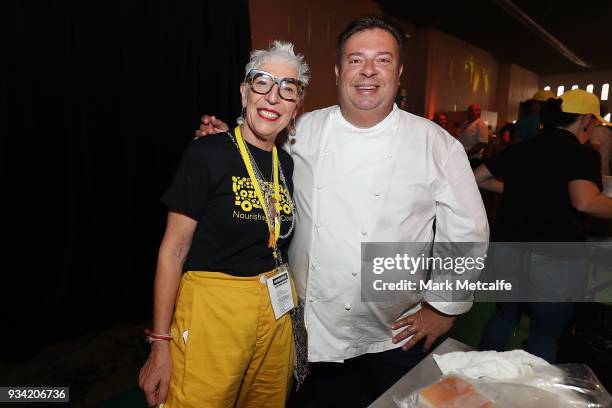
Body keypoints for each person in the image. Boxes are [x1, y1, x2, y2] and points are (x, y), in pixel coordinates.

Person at [197, 15, 488, 406]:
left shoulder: (436, 144)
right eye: (356, 60)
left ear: (398, 72)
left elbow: (467, 231)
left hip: (395, 334)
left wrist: (443, 309)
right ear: (337, 71)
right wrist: (225, 143)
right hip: (310, 330)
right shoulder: (301, 132)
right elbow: (255, 154)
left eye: (382, 60)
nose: (368, 71)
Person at [138, 41, 309, 407]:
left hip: (274, 310)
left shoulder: (287, 165)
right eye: (263, 83)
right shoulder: (207, 154)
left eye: (288, 89)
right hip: (213, 311)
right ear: (245, 92)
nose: (273, 97)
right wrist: (160, 344)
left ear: (296, 107)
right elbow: (173, 251)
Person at [475, 89, 612, 363]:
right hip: (555, 254)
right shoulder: (582, 154)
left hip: (508, 246)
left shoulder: (522, 147)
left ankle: (478, 380)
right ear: (586, 119)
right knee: (544, 335)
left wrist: (521, 189)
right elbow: (585, 202)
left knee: (504, 315)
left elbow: (478, 178)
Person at [459, 103, 490, 168]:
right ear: (468, 112)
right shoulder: (465, 124)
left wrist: (468, 154)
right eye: (471, 110)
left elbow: (482, 143)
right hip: (462, 156)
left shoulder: (481, 124)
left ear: (480, 113)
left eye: (476, 110)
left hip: (473, 158)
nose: (473, 112)